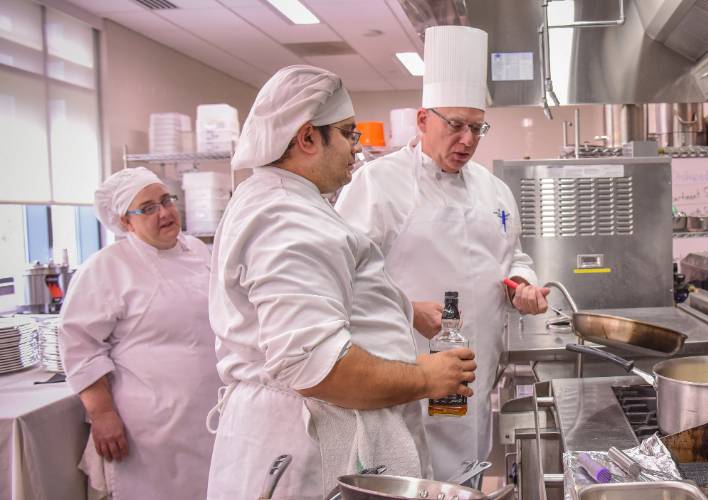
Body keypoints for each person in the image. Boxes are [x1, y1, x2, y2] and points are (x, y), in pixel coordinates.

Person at [205, 65, 476, 499]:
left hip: (305, 430)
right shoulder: (285, 218)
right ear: (308, 138)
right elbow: (314, 365)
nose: (358, 147)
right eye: (349, 134)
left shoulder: (286, 200)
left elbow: (326, 288)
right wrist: (424, 377)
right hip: (307, 444)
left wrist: (404, 310)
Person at [334, 26, 549, 481]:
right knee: (415, 477)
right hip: (407, 377)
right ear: (422, 120)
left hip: (476, 374)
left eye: (477, 127)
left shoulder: (494, 190)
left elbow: (512, 257)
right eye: (455, 125)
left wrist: (522, 285)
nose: (468, 140)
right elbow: (343, 278)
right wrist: (407, 309)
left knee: (466, 472)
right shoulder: (379, 185)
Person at [59, 167, 221, 500]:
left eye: (166, 200)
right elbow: (79, 346)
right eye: (147, 208)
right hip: (150, 429)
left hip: (208, 415)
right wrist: (102, 414)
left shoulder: (197, 251)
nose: (164, 212)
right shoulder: (107, 267)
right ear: (125, 222)